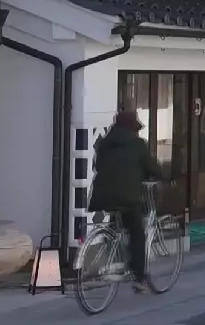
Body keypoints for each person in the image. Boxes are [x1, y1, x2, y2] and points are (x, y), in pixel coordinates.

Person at [88, 110, 164, 293]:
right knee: (137, 232)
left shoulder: (104, 144)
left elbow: (99, 166)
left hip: (102, 196)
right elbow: (151, 167)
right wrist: (164, 177)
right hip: (128, 197)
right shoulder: (138, 144)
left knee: (120, 224)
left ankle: (118, 253)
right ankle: (140, 278)